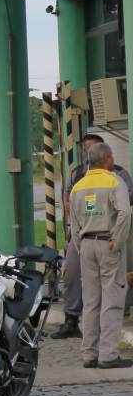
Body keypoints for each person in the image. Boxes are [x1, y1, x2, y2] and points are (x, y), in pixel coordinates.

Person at [54, 134, 133, 338]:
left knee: (108, 292)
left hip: (111, 237)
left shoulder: (119, 176)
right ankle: (72, 319)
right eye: (85, 149)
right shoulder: (77, 175)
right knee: (72, 273)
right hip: (85, 237)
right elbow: (69, 204)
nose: (87, 153)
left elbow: (126, 206)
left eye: (91, 148)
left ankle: (99, 345)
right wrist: (75, 238)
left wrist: (118, 239)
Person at [69, 142, 132, 369]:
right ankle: (108, 355)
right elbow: (125, 213)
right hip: (109, 244)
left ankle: (89, 354)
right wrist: (118, 240)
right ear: (107, 159)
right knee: (113, 299)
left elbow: (73, 223)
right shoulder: (116, 182)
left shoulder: (78, 187)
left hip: (86, 245)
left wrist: (81, 245)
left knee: (91, 300)